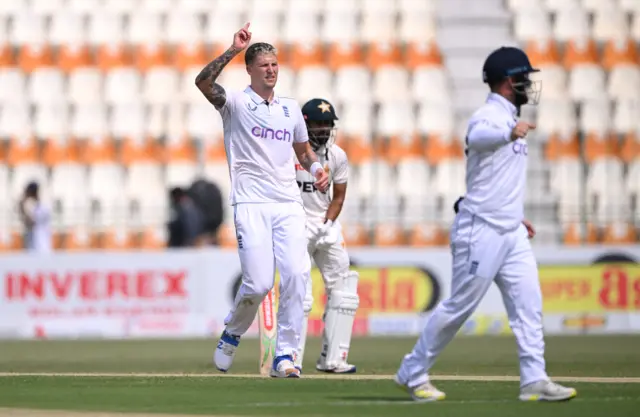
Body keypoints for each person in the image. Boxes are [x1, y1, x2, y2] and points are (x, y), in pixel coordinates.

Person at [394, 47, 577, 402]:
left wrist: (514, 213)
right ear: (509, 82)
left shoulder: (508, 117)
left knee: (528, 305)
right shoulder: (490, 116)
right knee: (459, 306)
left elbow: (497, 176)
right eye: (524, 78)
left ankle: (533, 379)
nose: (528, 85)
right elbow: (478, 137)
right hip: (481, 229)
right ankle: (412, 370)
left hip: (510, 230)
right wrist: (509, 134)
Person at [194, 23, 329, 378]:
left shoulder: (289, 108)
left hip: (287, 203)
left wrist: (316, 169)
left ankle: (286, 355)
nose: (271, 69)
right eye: (264, 65)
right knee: (257, 283)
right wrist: (233, 49)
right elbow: (203, 83)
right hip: (251, 204)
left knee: (299, 275)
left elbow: (303, 151)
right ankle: (232, 333)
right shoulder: (235, 103)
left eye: (274, 64)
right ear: (250, 69)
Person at [293, 98, 358, 374]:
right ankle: (290, 360)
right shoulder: (289, 153)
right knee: (302, 297)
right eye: (318, 124)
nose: (323, 130)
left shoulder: (338, 156)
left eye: (327, 124)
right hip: (295, 225)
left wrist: (328, 222)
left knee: (343, 290)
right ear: (305, 125)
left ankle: (333, 359)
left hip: (325, 225)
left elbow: (339, 197)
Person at [18, 181, 52, 254]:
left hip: (41, 246)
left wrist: (23, 208)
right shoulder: (33, 206)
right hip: (32, 245)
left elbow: (32, 222)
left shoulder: (43, 207)